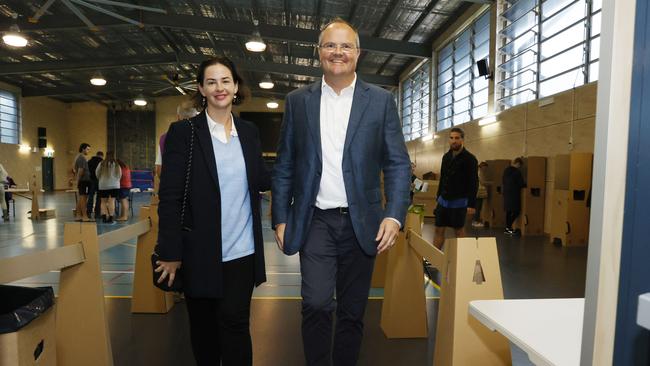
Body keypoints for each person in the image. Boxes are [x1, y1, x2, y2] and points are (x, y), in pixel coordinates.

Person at [272, 18, 411, 366]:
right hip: (315, 220)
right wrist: (280, 217)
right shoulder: (297, 102)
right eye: (330, 45)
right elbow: (285, 164)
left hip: (361, 223)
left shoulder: (380, 102)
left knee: (352, 311)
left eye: (346, 46)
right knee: (316, 303)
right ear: (319, 53)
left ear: (358, 53)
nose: (338, 52)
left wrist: (394, 214)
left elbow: (397, 163)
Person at [156, 56, 270, 366]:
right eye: (211, 82)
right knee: (204, 330)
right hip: (199, 251)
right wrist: (169, 251)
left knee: (235, 324)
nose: (219, 88)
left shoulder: (249, 133)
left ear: (236, 87)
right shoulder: (184, 133)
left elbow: (261, 178)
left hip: (241, 251)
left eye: (225, 81)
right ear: (201, 89)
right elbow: (170, 196)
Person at [433, 127, 478, 250]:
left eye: (457, 138)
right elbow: (442, 178)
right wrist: (438, 197)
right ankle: (431, 260)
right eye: (451, 138)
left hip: (459, 201)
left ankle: (465, 261)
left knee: (459, 231)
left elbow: (473, 182)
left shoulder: (470, 159)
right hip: (443, 200)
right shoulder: (446, 157)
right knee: (438, 229)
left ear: (462, 140)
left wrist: (471, 204)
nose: (454, 141)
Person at [155, 101, 199, 178]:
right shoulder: (202, 137)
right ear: (196, 116)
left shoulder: (164, 138)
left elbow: (159, 170)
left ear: (178, 116)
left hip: (172, 184)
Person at [95, 152, 122, 224]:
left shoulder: (101, 164)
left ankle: (104, 218)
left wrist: (101, 179)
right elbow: (120, 175)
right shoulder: (116, 165)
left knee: (103, 202)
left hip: (103, 185)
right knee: (112, 201)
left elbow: (97, 174)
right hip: (114, 185)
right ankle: (110, 218)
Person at [503, 157, 525, 235]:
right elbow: (521, 184)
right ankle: (508, 227)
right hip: (514, 194)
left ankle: (507, 228)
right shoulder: (517, 172)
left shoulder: (506, 170)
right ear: (518, 164)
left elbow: (503, 181)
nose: (520, 167)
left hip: (506, 193)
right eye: (520, 165)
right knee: (516, 211)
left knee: (508, 211)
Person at [73, 143, 93, 222]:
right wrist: (77, 181)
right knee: (83, 198)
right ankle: (84, 216)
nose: (88, 151)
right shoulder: (81, 158)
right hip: (84, 181)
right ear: (83, 149)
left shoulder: (79, 157)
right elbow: (80, 170)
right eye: (87, 149)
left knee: (81, 198)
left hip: (84, 180)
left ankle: (78, 215)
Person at [87, 151, 104, 219]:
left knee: (90, 197)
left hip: (91, 180)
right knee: (99, 197)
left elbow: (87, 171)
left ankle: (88, 212)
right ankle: (97, 213)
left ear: (96, 154)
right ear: (101, 156)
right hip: (99, 181)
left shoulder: (89, 161)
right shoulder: (102, 162)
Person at [472, 161, 489, 227]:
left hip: (477, 192)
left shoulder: (476, 171)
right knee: (478, 207)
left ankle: (475, 221)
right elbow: (482, 182)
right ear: (482, 167)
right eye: (485, 168)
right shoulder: (479, 172)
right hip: (479, 192)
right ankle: (476, 221)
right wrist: (490, 183)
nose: (485, 169)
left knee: (477, 207)